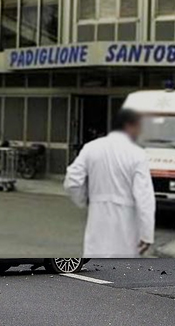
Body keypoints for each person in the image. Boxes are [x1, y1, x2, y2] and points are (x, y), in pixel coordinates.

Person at [64, 108, 156, 258]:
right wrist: (147, 233)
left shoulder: (91, 148)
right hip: (126, 224)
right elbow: (144, 197)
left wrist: (83, 200)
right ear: (129, 126)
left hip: (97, 218)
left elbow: (72, 181)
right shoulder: (138, 154)